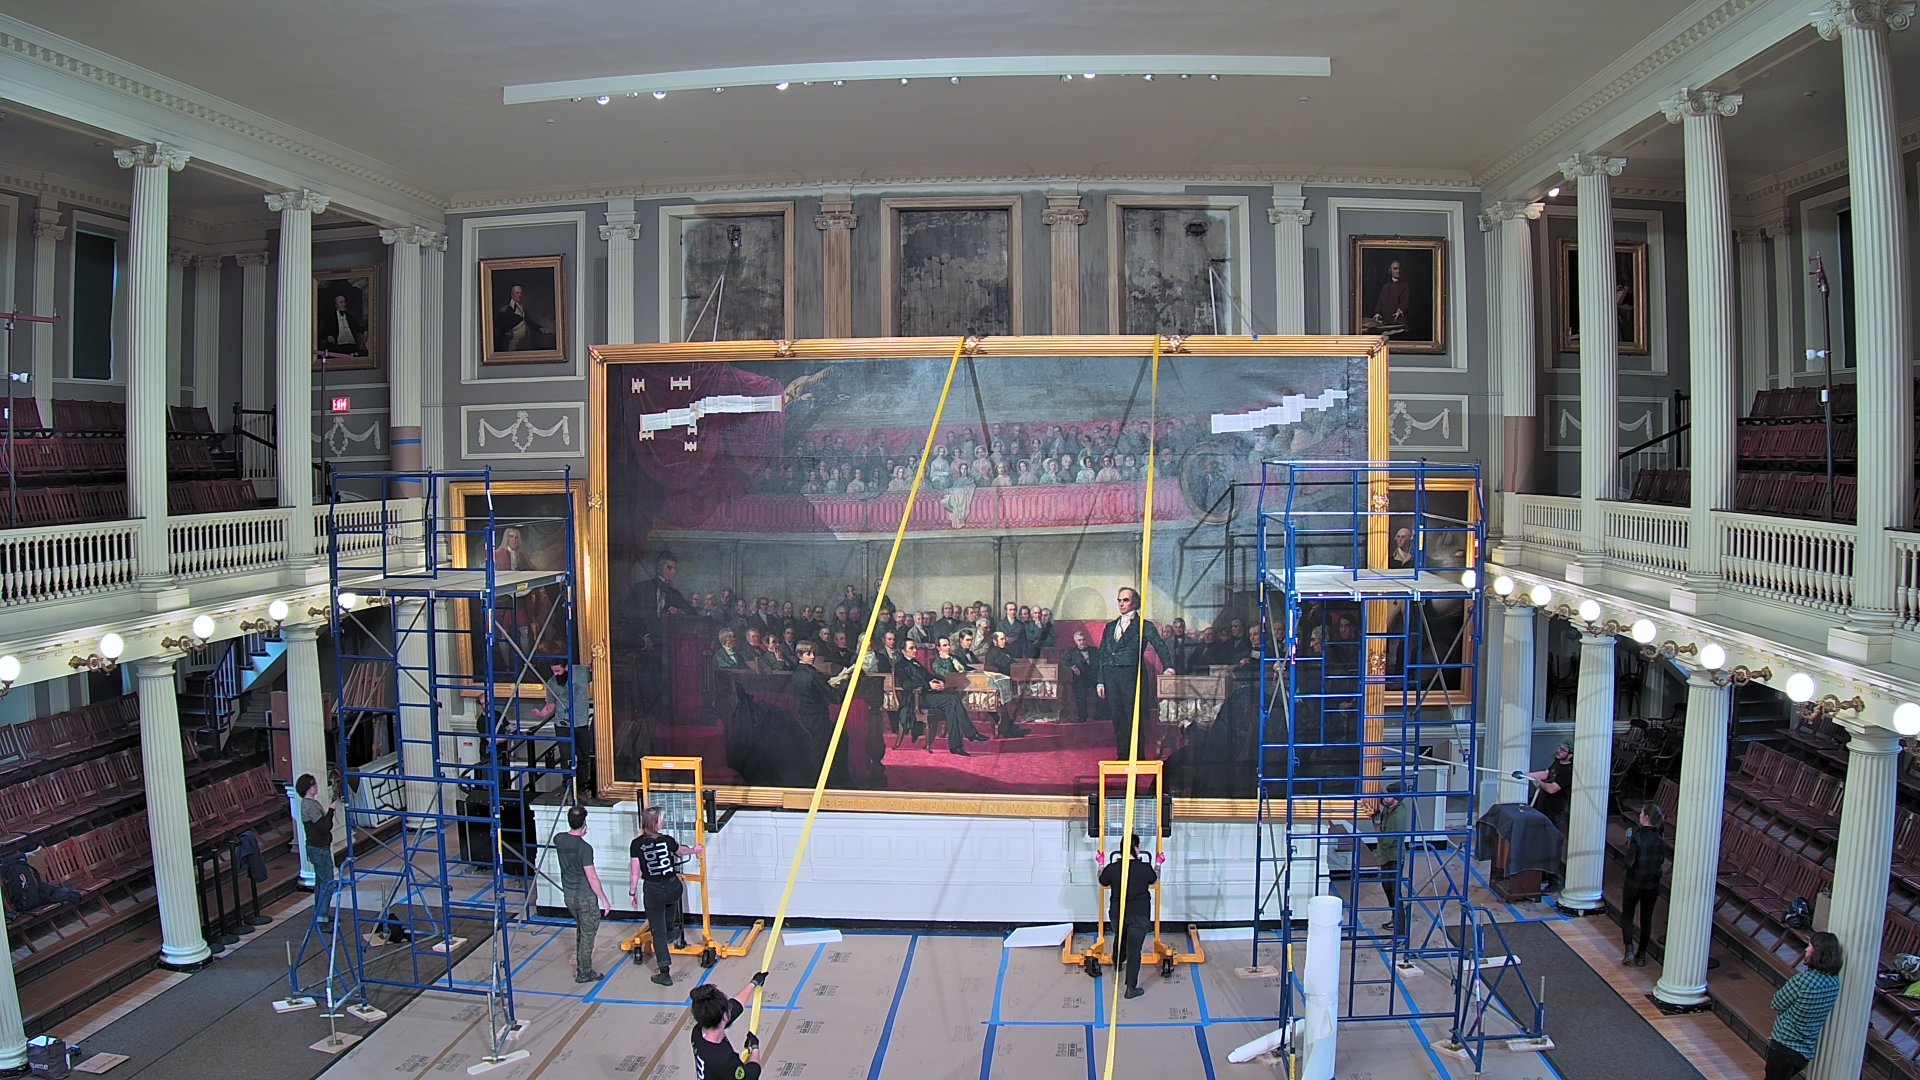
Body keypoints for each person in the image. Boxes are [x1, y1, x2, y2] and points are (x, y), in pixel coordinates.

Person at [629, 806, 702, 987]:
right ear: (655, 823)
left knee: (657, 932)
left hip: (653, 890)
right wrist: (695, 850)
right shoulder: (667, 840)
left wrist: (632, 892)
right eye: (662, 819)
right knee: (670, 906)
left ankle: (664, 972)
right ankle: (672, 930)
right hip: (672, 886)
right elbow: (681, 851)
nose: (664, 822)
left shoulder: (636, 844)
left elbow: (634, 873)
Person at [1096, 587, 1173, 758]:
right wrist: (1100, 681)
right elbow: (1102, 654)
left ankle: (1137, 758)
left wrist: (1168, 666)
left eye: (1126, 600)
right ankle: (1123, 757)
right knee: (1118, 718)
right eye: (1119, 600)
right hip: (1110, 676)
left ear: (1135, 603)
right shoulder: (1110, 626)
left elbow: (1160, 645)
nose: (1121, 604)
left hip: (1132, 676)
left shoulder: (1144, 626)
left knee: (1134, 718)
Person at [1765, 931, 1842, 1079]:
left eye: (1810, 946)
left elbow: (1776, 1004)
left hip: (1784, 1046)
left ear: (1818, 952)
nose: (1806, 949)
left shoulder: (1802, 981)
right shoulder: (1834, 982)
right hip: (1804, 1052)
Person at [1096, 834, 1163, 999]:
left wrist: (1100, 863)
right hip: (1139, 916)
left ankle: (1118, 963)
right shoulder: (1145, 868)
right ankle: (1130, 988)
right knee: (1134, 951)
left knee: (1120, 937)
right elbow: (1155, 880)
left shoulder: (1113, 868)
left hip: (1117, 914)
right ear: (1135, 848)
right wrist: (1159, 863)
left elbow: (1102, 881)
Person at [552, 805, 611, 983]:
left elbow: (567, 839)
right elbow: (592, 877)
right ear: (584, 823)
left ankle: (581, 964)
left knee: (582, 929)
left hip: (569, 896)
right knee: (588, 935)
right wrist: (604, 900)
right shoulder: (585, 848)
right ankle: (584, 971)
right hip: (585, 897)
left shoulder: (559, 839)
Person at [690, 975, 768, 1080]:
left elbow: (735, 1008)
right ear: (725, 1017)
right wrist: (755, 1048)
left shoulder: (698, 1032)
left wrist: (753, 983)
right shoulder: (725, 1061)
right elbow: (751, 1076)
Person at [1620, 802, 1666, 965]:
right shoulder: (1660, 840)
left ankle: (1629, 949)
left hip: (1634, 883)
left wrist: (1628, 847)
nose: (1639, 816)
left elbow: (1628, 863)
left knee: (1627, 915)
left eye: (1640, 814)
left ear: (1646, 817)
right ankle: (1641, 955)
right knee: (1646, 919)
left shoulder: (1637, 837)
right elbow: (1660, 862)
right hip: (1651, 886)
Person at [296, 773, 338, 929]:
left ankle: (321, 913)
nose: (316, 786)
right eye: (313, 784)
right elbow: (324, 827)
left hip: (317, 848)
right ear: (307, 788)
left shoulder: (310, 804)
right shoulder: (310, 806)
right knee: (327, 883)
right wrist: (331, 810)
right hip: (319, 849)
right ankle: (322, 917)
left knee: (321, 883)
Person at [1371, 789, 1412, 935]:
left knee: (1395, 892)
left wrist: (1377, 827)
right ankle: (1395, 918)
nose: (1384, 798)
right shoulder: (1389, 808)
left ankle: (1400, 931)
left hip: (1393, 856)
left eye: (1388, 795)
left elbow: (1386, 841)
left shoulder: (1397, 815)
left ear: (1395, 799)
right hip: (1387, 856)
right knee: (1387, 887)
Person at [1526, 741, 1574, 838]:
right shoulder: (1557, 762)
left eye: (1562, 750)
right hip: (1546, 805)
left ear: (1570, 755)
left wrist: (1540, 783)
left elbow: (1552, 789)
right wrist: (1524, 775)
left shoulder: (1568, 771)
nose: (1558, 751)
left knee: (1555, 836)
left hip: (1558, 810)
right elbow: (1546, 774)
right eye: (1559, 747)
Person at [495, 282, 553, 352]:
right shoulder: (505, 310)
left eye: (521, 293)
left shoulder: (520, 308)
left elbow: (527, 321)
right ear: (512, 294)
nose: (520, 295)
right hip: (512, 343)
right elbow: (498, 326)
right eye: (517, 293)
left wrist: (540, 329)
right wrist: (508, 333)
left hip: (524, 342)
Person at [1063, 630, 1099, 723]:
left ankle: (1099, 716)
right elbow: (1064, 662)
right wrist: (1073, 667)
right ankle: (1082, 717)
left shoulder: (1095, 651)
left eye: (1083, 639)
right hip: (1080, 679)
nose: (1082, 642)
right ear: (1075, 641)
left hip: (1095, 678)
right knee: (1080, 692)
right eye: (1079, 640)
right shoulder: (1071, 653)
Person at [318, 291, 368, 357]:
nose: (344, 304)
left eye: (344, 302)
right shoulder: (331, 319)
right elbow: (324, 333)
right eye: (341, 302)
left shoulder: (349, 317)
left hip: (352, 345)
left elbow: (357, 327)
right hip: (339, 346)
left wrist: (364, 332)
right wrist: (329, 337)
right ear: (336, 305)